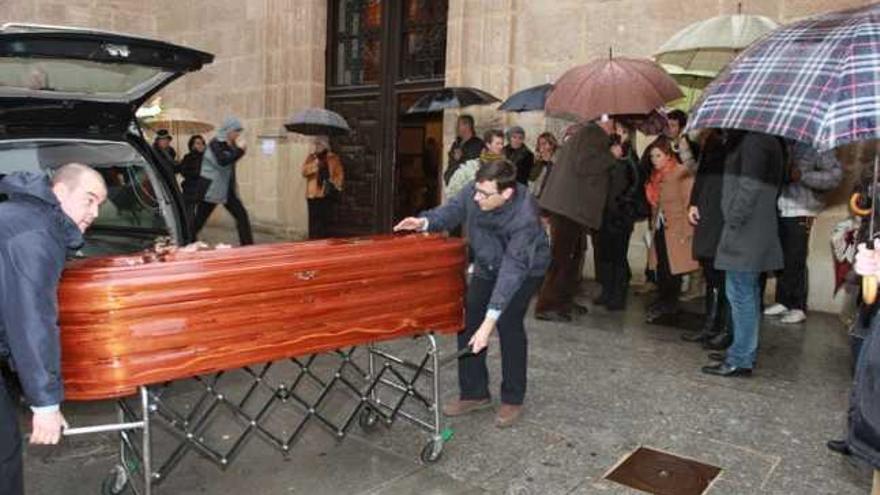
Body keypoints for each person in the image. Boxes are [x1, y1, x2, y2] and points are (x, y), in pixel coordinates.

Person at [394, 159, 549, 428]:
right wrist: (423, 222)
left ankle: (513, 397)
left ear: (507, 193)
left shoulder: (525, 217)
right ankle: (475, 393)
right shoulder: (476, 190)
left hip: (525, 268)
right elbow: (451, 211)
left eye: (485, 195)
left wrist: (489, 325)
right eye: (476, 191)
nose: (476, 198)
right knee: (468, 320)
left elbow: (513, 270)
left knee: (508, 322)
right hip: (488, 263)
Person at [0, 164, 107, 495]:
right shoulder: (36, 234)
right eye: (89, 200)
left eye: (100, 204)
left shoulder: (25, 217)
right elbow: (31, 318)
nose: (95, 212)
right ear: (60, 192)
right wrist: (45, 404)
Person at [702, 131, 784, 377]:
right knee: (744, 292)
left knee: (741, 294)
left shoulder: (755, 140)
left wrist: (734, 219)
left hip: (747, 229)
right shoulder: (764, 139)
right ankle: (742, 350)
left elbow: (750, 184)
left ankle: (741, 358)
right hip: (751, 228)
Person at [535, 117, 616, 321]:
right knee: (563, 257)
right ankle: (547, 305)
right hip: (568, 207)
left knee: (574, 256)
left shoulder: (588, 133)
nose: (615, 127)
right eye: (613, 122)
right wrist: (611, 156)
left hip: (572, 207)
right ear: (605, 121)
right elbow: (584, 165)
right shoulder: (593, 134)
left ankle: (564, 300)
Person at [763, 141, 842, 324]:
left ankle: (798, 306)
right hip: (779, 205)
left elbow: (835, 176)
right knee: (780, 256)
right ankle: (783, 300)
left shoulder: (819, 146)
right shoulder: (783, 142)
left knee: (796, 257)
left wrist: (803, 175)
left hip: (801, 208)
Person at [681, 129, 733, 347]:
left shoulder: (737, 140)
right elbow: (701, 173)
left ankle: (721, 327)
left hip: (722, 210)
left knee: (720, 272)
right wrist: (693, 202)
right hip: (707, 207)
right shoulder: (712, 140)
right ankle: (710, 324)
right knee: (710, 267)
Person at [644, 137, 698, 322]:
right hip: (662, 227)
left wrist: (686, 232)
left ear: (668, 156)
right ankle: (663, 300)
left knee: (672, 269)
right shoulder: (658, 175)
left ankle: (670, 304)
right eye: (652, 156)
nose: (654, 159)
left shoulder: (681, 172)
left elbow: (688, 202)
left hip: (676, 230)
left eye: (658, 156)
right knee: (662, 267)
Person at [594, 124, 641, 311]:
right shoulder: (609, 152)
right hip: (605, 212)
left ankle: (618, 295)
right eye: (617, 130)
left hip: (621, 214)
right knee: (604, 253)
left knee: (618, 255)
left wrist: (624, 200)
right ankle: (606, 291)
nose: (619, 134)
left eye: (623, 131)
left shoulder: (630, 156)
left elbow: (636, 182)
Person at [193, 116, 254, 246]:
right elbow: (223, 161)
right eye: (236, 131)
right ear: (228, 130)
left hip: (226, 190)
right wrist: (240, 150)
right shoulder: (216, 144)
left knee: (242, 216)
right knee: (199, 221)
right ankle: (184, 242)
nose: (238, 134)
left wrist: (237, 150)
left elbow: (230, 161)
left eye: (239, 131)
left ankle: (248, 246)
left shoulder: (228, 144)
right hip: (211, 189)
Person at [301, 137, 345, 239]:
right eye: (316, 144)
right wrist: (315, 166)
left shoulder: (333, 158)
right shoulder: (311, 158)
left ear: (325, 145)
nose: (316, 146)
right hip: (313, 194)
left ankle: (322, 240)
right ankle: (312, 240)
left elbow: (340, 175)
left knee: (324, 221)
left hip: (326, 194)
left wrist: (333, 183)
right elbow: (304, 171)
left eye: (319, 144)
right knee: (313, 220)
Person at [444, 129, 505, 201]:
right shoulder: (473, 166)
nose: (500, 147)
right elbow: (452, 190)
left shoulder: (505, 166)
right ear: (488, 145)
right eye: (497, 144)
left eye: (502, 144)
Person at [443, 115, 484, 185]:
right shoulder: (456, 144)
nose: (456, 128)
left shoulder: (477, 143)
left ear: (467, 126)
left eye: (459, 125)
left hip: (468, 185)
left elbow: (474, 164)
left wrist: (461, 157)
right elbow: (451, 163)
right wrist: (447, 176)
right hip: (453, 184)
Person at [178, 134, 207, 221]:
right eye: (198, 143)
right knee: (188, 213)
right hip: (189, 189)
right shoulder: (188, 157)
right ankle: (190, 231)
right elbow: (183, 172)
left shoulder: (206, 158)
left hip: (201, 189)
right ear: (192, 145)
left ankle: (192, 230)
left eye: (202, 143)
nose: (200, 145)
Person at [528, 131, 557, 198]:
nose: (541, 147)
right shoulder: (538, 161)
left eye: (544, 144)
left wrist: (548, 161)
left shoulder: (557, 161)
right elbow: (532, 178)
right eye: (539, 144)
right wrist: (539, 162)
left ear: (551, 145)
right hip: (535, 196)